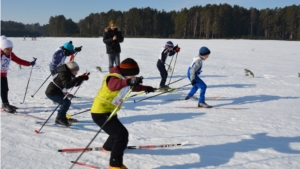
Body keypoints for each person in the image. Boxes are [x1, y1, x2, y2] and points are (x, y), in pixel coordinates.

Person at [90, 58, 155, 169]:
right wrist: (129, 81)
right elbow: (113, 85)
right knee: (121, 135)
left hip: (110, 111)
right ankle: (115, 164)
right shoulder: (113, 77)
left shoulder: (126, 79)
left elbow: (132, 86)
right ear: (126, 73)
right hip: (100, 112)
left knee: (116, 132)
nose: (134, 77)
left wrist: (146, 88)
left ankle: (108, 147)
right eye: (132, 75)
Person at [45, 61, 89, 126]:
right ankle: (59, 118)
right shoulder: (63, 74)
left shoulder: (67, 74)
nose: (76, 73)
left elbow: (74, 83)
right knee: (66, 102)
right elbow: (67, 85)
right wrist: (79, 78)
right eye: (75, 71)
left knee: (66, 103)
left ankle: (63, 117)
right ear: (71, 70)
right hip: (52, 92)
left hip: (57, 92)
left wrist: (81, 79)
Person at [1, 36, 36, 113]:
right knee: (3, 89)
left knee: (5, 89)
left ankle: (6, 104)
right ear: (3, 48)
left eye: (11, 49)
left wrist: (29, 63)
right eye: (8, 49)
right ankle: (5, 104)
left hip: (3, 75)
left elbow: (19, 60)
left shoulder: (11, 54)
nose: (10, 51)